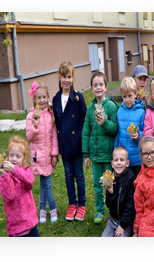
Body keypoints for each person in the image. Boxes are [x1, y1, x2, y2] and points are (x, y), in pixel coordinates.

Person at [82, 71, 120, 224]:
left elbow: (115, 128)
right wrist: (86, 154)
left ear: (106, 87)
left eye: (100, 85)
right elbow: (86, 132)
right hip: (96, 155)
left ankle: (113, 209)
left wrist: (104, 123)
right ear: (91, 88)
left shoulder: (110, 106)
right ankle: (99, 210)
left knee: (110, 183)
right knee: (98, 184)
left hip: (108, 154)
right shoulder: (90, 109)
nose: (98, 88)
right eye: (95, 85)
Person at [52, 61, 88, 222]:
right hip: (64, 146)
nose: (66, 80)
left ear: (72, 78)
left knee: (79, 175)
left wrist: (79, 135)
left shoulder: (78, 98)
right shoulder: (55, 99)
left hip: (77, 144)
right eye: (64, 77)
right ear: (59, 78)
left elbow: (84, 119)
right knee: (68, 175)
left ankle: (82, 204)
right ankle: (72, 203)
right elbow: (57, 123)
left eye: (69, 77)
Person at [26, 81, 59, 223]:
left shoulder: (51, 115)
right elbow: (29, 137)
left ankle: (42, 210)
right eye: (39, 98)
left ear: (48, 97)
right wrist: (35, 124)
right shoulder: (31, 116)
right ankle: (52, 209)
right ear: (34, 100)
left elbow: (53, 136)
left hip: (48, 156)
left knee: (45, 183)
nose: (42, 100)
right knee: (47, 183)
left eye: (44, 97)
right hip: (38, 157)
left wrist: (54, 154)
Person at [0, 135, 40, 237]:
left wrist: (14, 170)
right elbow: (9, 196)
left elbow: (29, 182)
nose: (14, 159)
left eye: (18, 156)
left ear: (24, 159)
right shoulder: (6, 176)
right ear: (7, 156)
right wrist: (5, 173)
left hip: (30, 223)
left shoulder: (26, 171)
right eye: (11, 155)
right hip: (16, 227)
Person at [101, 146, 136, 237]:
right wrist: (111, 192)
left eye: (122, 160)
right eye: (116, 160)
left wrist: (123, 225)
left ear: (127, 163)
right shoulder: (110, 178)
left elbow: (131, 206)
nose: (119, 163)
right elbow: (109, 204)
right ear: (112, 164)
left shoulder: (131, 178)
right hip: (113, 219)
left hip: (126, 222)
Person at [114, 76, 145, 177]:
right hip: (123, 161)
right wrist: (115, 154)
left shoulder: (141, 112)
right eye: (124, 96)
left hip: (137, 160)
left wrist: (138, 135)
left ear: (136, 94)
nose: (127, 100)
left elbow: (145, 132)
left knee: (137, 188)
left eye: (130, 96)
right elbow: (118, 134)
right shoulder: (119, 112)